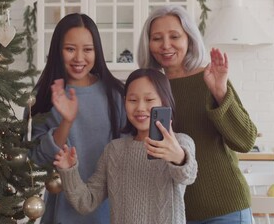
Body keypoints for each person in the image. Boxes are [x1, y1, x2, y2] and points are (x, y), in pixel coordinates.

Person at [137, 5, 258, 224]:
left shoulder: (209, 78)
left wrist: (220, 91)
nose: (165, 45)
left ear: (189, 40)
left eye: (174, 36)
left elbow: (246, 141)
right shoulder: (147, 88)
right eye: (156, 38)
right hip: (175, 212)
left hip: (225, 209)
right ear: (148, 43)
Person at [53, 68, 198, 224]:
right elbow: (86, 202)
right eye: (133, 100)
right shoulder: (114, 150)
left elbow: (187, 176)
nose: (140, 107)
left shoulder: (181, 142)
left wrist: (178, 157)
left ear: (164, 102)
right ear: (124, 102)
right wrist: (69, 171)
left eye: (149, 100)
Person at [29, 13, 126, 224]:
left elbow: (130, 152)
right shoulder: (45, 95)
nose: (79, 58)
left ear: (97, 51)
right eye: (70, 49)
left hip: (111, 213)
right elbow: (36, 158)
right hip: (62, 213)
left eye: (88, 50)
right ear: (58, 50)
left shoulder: (116, 94)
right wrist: (66, 121)